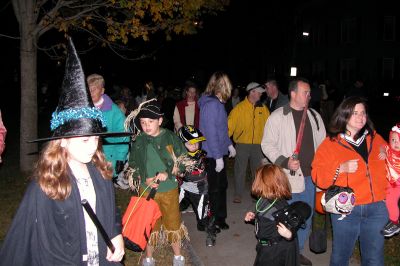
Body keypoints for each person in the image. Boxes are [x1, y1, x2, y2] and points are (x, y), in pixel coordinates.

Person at [0, 38, 125, 265]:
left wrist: (116, 234)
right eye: (85, 139)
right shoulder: (47, 184)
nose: (93, 146)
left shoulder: (100, 171)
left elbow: (110, 210)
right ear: (63, 141)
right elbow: (43, 246)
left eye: (96, 138)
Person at [312, 96, 387, 266]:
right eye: (355, 113)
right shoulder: (330, 144)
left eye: (363, 113)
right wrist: (340, 168)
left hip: (377, 209)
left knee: (374, 259)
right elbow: (317, 175)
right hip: (345, 210)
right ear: (344, 115)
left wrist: (388, 151)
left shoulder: (375, 139)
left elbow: (391, 160)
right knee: (341, 257)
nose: (361, 117)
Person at [261, 77, 326, 266]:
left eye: (308, 93)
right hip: (288, 179)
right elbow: (267, 144)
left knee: (306, 216)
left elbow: (322, 146)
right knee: (287, 218)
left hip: (310, 178)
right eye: (305, 92)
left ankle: (297, 252)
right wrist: (284, 161)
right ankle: (283, 252)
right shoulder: (278, 116)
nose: (309, 95)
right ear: (293, 94)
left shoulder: (314, 116)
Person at [126, 98, 188, 266]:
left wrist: (168, 173)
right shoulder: (139, 140)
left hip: (168, 189)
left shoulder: (170, 137)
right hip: (147, 190)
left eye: (150, 122)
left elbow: (183, 161)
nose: (146, 126)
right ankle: (149, 257)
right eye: (143, 122)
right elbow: (133, 164)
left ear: (160, 120)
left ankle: (177, 256)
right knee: (149, 224)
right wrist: (142, 176)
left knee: (172, 223)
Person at [198, 71, 236, 231]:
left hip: (218, 153)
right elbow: (211, 134)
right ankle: (211, 221)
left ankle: (220, 218)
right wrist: (218, 157)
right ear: (222, 86)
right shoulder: (211, 105)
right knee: (212, 189)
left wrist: (229, 145)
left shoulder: (217, 104)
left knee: (221, 187)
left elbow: (222, 130)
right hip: (213, 155)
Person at [244, 164, 298, 266]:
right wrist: (253, 218)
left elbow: (293, 226)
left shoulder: (280, 207)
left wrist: (289, 235)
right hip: (264, 247)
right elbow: (265, 219)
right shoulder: (263, 199)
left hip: (275, 252)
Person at [228, 82, 270, 203]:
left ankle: (257, 195)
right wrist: (225, 143)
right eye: (259, 92)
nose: (261, 95)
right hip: (242, 144)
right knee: (240, 170)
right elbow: (229, 126)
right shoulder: (239, 108)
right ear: (252, 92)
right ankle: (238, 194)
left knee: (257, 171)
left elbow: (269, 126)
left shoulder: (263, 108)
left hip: (258, 145)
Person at [177, 125, 218, 247]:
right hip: (184, 188)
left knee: (203, 216)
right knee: (173, 206)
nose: (195, 146)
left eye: (197, 143)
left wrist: (186, 170)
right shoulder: (179, 154)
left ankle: (211, 232)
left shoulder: (201, 155)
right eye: (191, 143)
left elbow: (197, 171)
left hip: (199, 190)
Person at [87, 73, 130, 187]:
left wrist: (120, 158)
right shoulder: (82, 110)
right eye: (88, 89)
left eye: (94, 89)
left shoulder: (114, 112)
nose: (90, 92)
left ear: (102, 91)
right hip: (86, 157)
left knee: (104, 189)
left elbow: (123, 135)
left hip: (107, 158)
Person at [381, 123, 400, 237]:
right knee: (386, 199)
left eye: (398, 140)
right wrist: (383, 151)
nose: (395, 143)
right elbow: (382, 146)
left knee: (391, 201)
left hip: (397, 184)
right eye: (393, 140)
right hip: (388, 181)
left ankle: (394, 222)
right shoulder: (388, 149)